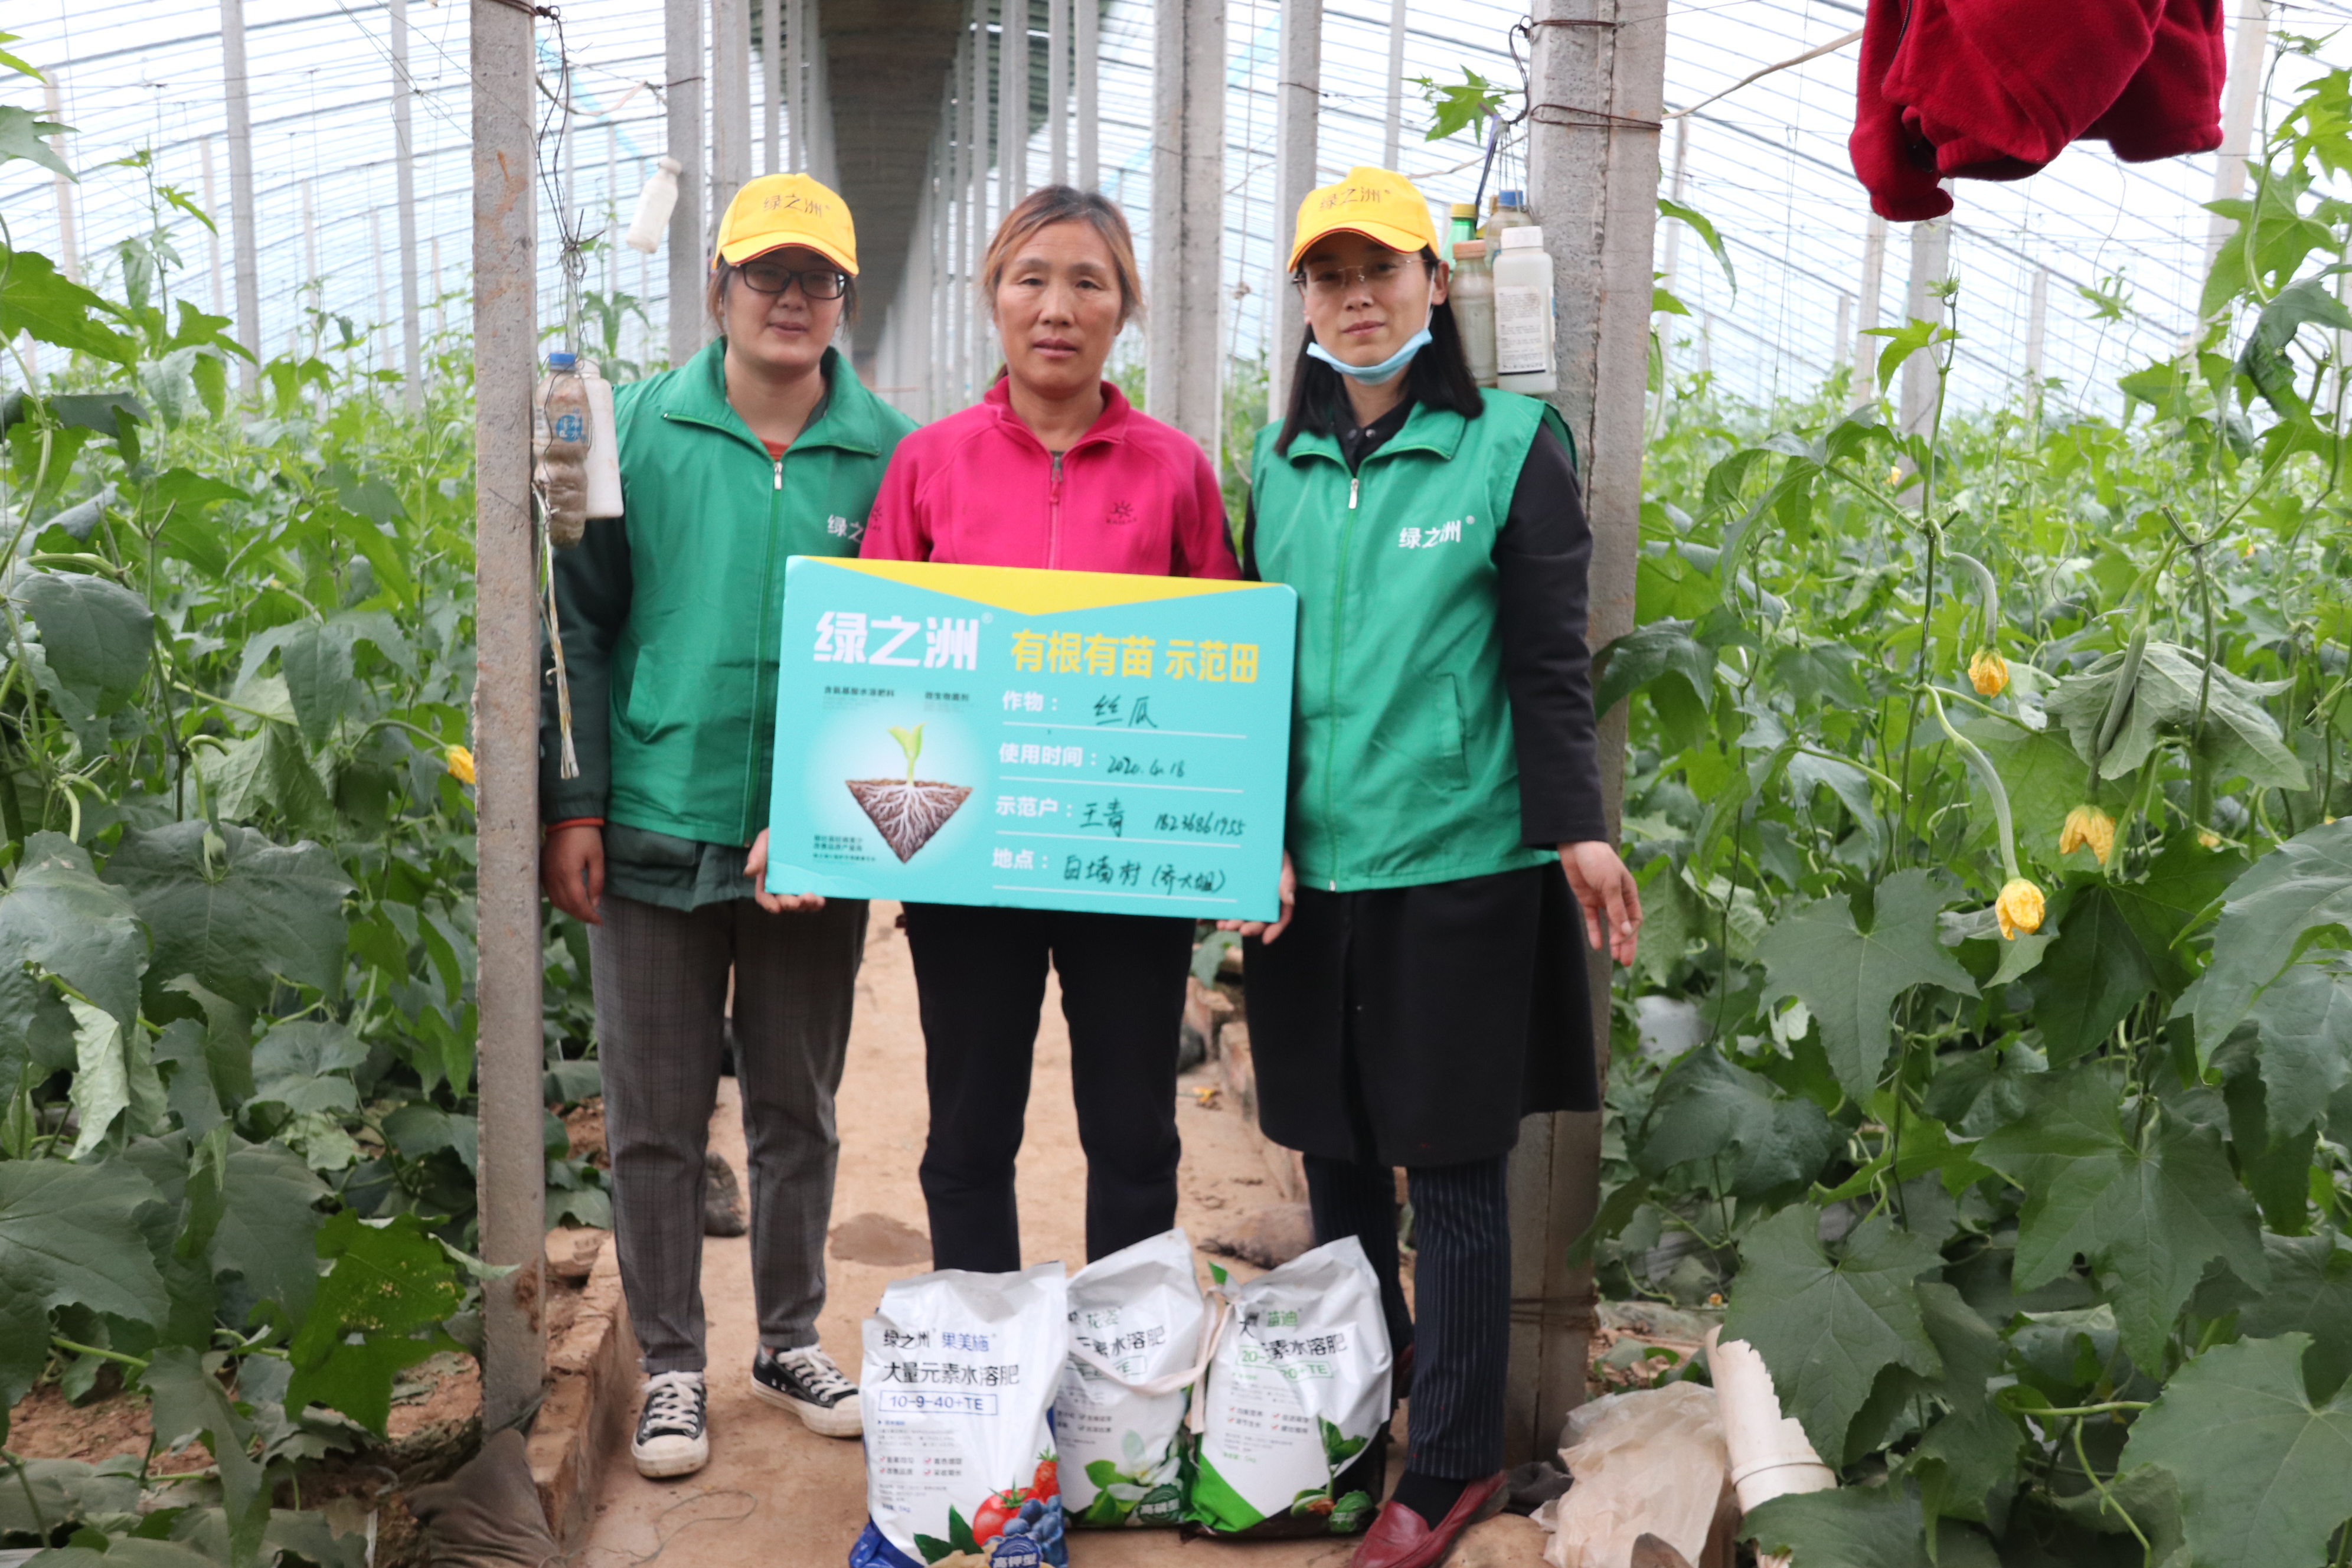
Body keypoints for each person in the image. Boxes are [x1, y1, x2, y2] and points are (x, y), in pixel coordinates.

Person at [1225, 166, 1643, 1568]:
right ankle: (1355, 1421)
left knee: (1455, 1168)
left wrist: (1578, 825)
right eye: (1329, 276)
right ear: (1305, 300)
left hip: (1456, 860)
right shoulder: (1278, 464)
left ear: (1435, 283)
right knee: (1335, 1148)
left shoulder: (1510, 447)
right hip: (1313, 871)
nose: (1356, 298)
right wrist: (1252, 831)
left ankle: (1453, 1461)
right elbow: (1252, 665)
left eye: (1382, 270)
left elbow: (1545, 656)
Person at [539, 172, 916, 1479]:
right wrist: (576, 801)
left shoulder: (891, 452)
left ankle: (790, 1337)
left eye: (818, 279)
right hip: (655, 811)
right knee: (653, 1110)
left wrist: (827, 812)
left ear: (845, 299)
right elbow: (577, 620)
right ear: (718, 288)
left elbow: (918, 655)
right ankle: (672, 1365)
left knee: (797, 1102)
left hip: (812, 845)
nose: (790, 299)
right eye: (767, 274)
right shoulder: (637, 430)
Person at [855, 184, 1239, 1272]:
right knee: (970, 1131)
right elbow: (874, 662)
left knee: (1134, 1131)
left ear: (1125, 308)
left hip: (1127, 857)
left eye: (1088, 283)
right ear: (995, 297)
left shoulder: (1174, 469)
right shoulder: (929, 463)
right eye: (1032, 279)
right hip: (969, 859)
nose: (1058, 308)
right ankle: (988, 1353)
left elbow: (1226, 666)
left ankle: (1128, 1353)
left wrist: (1234, 835)